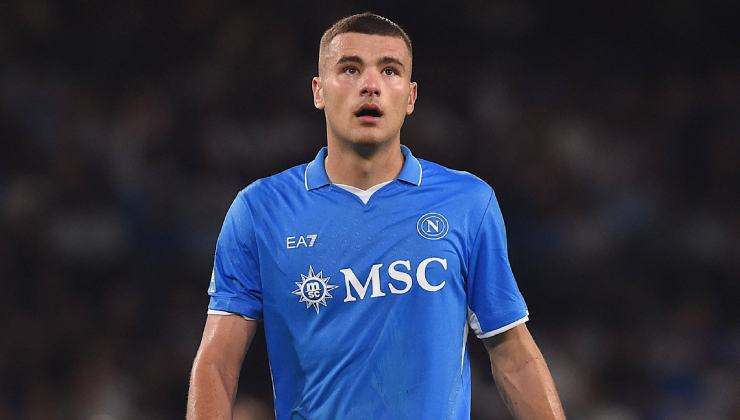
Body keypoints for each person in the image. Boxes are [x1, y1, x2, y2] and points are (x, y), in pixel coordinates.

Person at [187, 12, 565, 420]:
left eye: (390, 70)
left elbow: (512, 353)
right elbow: (217, 364)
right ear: (318, 91)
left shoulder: (468, 202)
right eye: (350, 69)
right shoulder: (260, 211)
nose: (370, 85)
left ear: (411, 97)